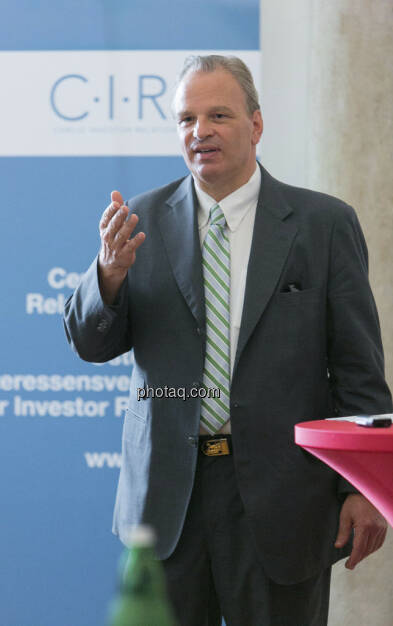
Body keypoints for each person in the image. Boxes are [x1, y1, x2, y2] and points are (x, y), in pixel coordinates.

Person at [64, 55, 392, 625]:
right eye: (186, 118)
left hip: (285, 501)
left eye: (219, 114)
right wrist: (109, 274)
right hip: (168, 505)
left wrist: (364, 488)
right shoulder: (138, 222)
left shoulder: (323, 225)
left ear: (256, 125)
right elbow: (90, 344)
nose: (200, 131)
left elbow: (359, 373)